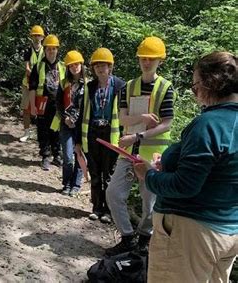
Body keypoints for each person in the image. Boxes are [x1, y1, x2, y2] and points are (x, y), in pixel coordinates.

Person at [134, 51, 238, 282]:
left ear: (210, 84)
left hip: (190, 233)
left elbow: (185, 186)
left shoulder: (208, 125)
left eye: (195, 86)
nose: (195, 94)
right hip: (228, 231)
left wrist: (148, 175)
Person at [105, 37, 175, 256]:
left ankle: (144, 239)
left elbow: (167, 123)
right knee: (113, 193)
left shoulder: (166, 88)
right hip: (128, 153)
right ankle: (127, 237)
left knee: (150, 202)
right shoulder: (128, 87)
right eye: (143, 58)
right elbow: (122, 118)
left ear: (159, 61)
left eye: (151, 59)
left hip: (152, 156)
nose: (146, 62)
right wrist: (143, 117)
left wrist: (138, 135)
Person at [76, 48, 125, 223]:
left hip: (111, 136)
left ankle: (109, 211)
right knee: (95, 174)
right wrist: (77, 140)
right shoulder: (90, 86)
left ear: (110, 67)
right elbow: (82, 113)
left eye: (103, 65)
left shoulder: (120, 86)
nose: (100, 68)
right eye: (97, 65)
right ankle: (97, 208)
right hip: (92, 133)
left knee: (109, 175)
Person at [51, 50, 86, 196]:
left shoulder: (88, 84)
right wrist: (65, 117)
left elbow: (89, 106)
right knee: (67, 156)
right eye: (71, 65)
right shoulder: (64, 83)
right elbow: (58, 103)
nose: (74, 67)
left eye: (77, 64)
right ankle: (66, 183)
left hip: (81, 125)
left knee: (79, 155)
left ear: (81, 65)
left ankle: (76, 184)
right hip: (66, 124)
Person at [29, 34, 65, 171]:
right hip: (42, 104)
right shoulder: (38, 67)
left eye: (54, 49)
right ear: (45, 50)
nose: (51, 51)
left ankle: (57, 156)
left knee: (56, 130)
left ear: (57, 50)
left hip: (58, 106)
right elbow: (32, 88)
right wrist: (32, 106)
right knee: (43, 130)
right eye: (49, 49)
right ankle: (45, 156)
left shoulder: (62, 66)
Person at [20, 25, 44, 142]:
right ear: (31, 37)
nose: (36, 37)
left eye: (38, 35)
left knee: (41, 110)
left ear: (42, 37)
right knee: (26, 109)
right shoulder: (27, 50)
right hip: (28, 83)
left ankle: (40, 134)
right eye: (34, 35)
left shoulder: (45, 50)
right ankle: (26, 133)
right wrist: (34, 75)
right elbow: (27, 67)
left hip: (41, 85)